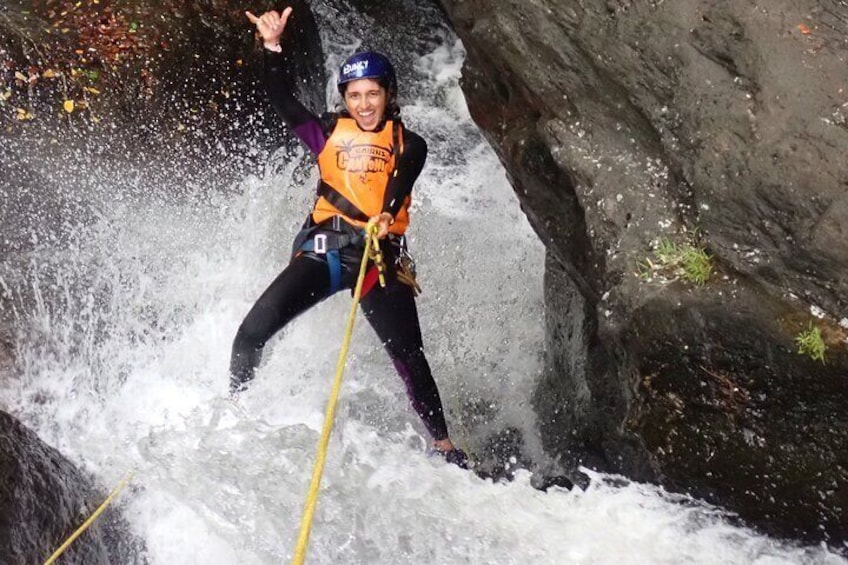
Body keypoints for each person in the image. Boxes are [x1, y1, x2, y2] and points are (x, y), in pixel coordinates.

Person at [233, 7, 467, 468]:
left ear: (388, 96)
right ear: (345, 97)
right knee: (249, 336)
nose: (363, 104)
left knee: (410, 358)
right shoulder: (324, 133)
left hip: (378, 259)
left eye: (372, 94)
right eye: (355, 95)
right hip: (326, 252)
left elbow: (401, 182)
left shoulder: (410, 143)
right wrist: (272, 48)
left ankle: (444, 446)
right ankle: (232, 417)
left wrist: (386, 213)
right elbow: (282, 99)